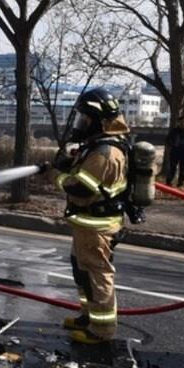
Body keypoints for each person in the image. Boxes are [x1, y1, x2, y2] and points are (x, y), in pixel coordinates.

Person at [42, 88, 131, 345]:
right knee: (82, 272)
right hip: (87, 224)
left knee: (96, 274)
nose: (80, 124)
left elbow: (80, 187)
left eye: (84, 119)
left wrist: (56, 176)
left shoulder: (105, 152)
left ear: (96, 120)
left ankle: (101, 330)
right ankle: (88, 315)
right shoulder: (97, 147)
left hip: (98, 226)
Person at [163, 121, 184, 186]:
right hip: (175, 152)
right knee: (172, 167)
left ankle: (180, 183)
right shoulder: (174, 131)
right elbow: (168, 140)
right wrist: (171, 146)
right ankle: (169, 181)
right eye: (181, 122)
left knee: (183, 169)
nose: (182, 124)